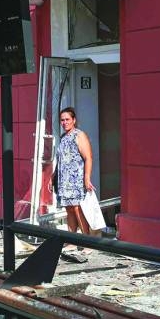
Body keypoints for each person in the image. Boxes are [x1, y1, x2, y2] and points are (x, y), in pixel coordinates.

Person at [52, 107, 96, 249]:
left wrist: (87, 177)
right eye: (62, 120)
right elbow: (61, 160)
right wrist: (53, 176)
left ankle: (87, 241)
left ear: (74, 120)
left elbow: (88, 157)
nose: (64, 122)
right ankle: (72, 240)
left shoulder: (79, 135)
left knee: (78, 208)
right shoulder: (63, 137)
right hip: (64, 180)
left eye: (67, 119)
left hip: (76, 178)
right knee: (69, 209)